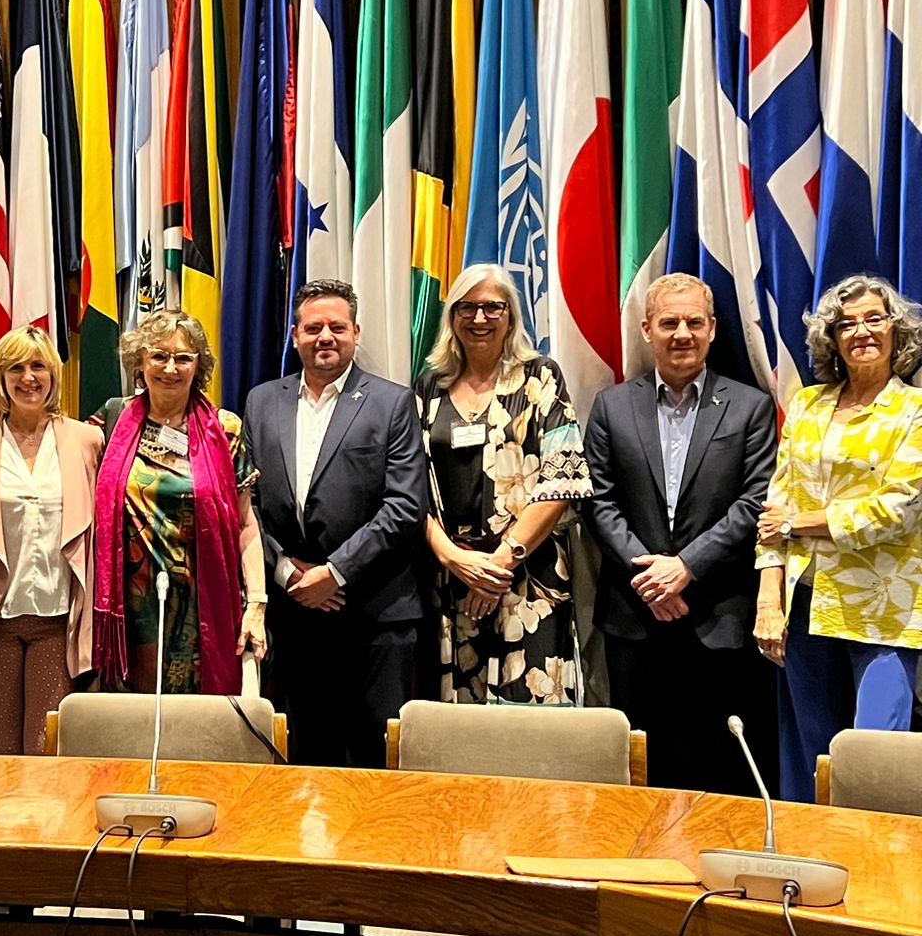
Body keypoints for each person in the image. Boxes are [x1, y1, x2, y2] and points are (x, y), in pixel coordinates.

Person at [582, 273, 777, 794]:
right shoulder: (611, 406)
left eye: (694, 322)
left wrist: (686, 567)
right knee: (641, 765)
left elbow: (755, 501)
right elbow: (598, 500)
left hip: (716, 614)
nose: (682, 333)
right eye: (669, 323)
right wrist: (651, 578)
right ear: (647, 329)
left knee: (717, 766)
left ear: (712, 328)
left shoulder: (750, 406)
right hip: (634, 614)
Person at [243, 280, 427, 767]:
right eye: (313, 327)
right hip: (295, 616)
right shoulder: (262, 401)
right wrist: (288, 572)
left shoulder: (392, 402)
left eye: (337, 327)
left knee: (376, 764)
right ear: (295, 335)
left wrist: (335, 573)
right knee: (303, 760)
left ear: (356, 333)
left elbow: (405, 506)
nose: (325, 336)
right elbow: (246, 504)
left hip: (375, 617)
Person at [755, 274, 922, 802]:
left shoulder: (915, 410)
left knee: (873, 764)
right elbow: (773, 512)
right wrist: (768, 601)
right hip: (806, 606)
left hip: (885, 613)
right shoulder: (806, 406)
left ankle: (877, 857)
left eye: (875, 319)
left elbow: (897, 509)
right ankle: (811, 854)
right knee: (814, 762)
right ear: (831, 339)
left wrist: (798, 523)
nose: (861, 331)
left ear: (897, 331)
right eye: (846, 324)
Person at [413, 263, 591, 704]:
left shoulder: (540, 377)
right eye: (467, 308)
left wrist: (499, 565)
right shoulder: (429, 386)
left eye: (492, 307)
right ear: (452, 316)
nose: (479, 318)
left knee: (527, 721)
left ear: (510, 315)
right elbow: (409, 487)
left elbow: (562, 478)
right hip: (450, 580)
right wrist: (454, 558)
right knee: (454, 722)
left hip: (529, 580)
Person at [0, 327, 103, 753]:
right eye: (16, 367)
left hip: (58, 623)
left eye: (38, 366)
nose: (28, 377)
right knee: (2, 753)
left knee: (43, 754)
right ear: (0, 377)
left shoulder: (87, 442)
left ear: (53, 374)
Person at [92, 311, 266, 695]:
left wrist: (257, 603)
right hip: (130, 613)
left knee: (196, 723)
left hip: (202, 612)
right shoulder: (111, 420)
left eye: (183, 358)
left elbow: (246, 524)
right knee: (131, 723)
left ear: (198, 365)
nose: (170, 368)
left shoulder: (225, 430)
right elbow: (54, 444)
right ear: (140, 360)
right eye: (159, 356)